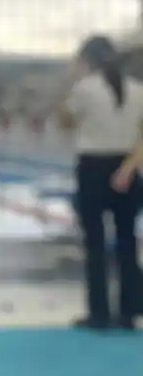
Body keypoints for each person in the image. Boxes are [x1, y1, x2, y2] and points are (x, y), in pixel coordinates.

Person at [57, 35, 143, 329]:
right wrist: (128, 169)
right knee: (127, 241)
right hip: (127, 169)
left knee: (94, 242)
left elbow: (64, 121)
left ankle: (99, 314)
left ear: (87, 60)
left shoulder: (84, 88)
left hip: (93, 168)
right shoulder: (137, 89)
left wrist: (68, 82)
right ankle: (129, 312)